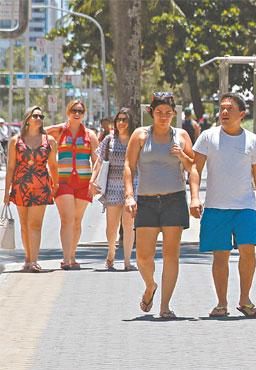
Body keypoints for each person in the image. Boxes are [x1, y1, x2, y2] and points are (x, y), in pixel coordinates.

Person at [189, 92, 256, 318]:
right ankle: (221, 303)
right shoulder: (207, 137)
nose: (224, 112)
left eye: (230, 109)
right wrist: (194, 197)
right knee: (220, 256)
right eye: (222, 108)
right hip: (216, 207)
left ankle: (245, 300)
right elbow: (195, 168)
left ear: (241, 114)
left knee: (248, 253)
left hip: (245, 208)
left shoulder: (253, 141)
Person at [124, 92, 194, 319]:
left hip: (174, 199)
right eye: (159, 113)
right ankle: (150, 285)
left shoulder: (181, 136)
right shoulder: (141, 135)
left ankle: (165, 306)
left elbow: (192, 166)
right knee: (143, 257)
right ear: (151, 113)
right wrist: (129, 195)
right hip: (146, 200)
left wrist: (182, 155)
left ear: (174, 113)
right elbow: (129, 166)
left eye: (168, 113)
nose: (163, 117)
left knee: (170, 255)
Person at [46, 100, 99, 270]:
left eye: (80, 111)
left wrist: (94, 181)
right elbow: (36, 132)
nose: (77, 113)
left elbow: (97, 161)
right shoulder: (59, 131)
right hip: (63, 181)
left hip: (84, 182)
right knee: (67, 219)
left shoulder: (90, 135)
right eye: (74, 110)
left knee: (77, 220)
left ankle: (73, 255)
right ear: (68, 112)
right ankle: (66, 259)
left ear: (84, 114)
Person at [4, 106, 58, 272]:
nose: (39, 119)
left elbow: (53, 166)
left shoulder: (49, 141)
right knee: (24, 225)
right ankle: (28, 259)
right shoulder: (16, 140)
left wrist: (55, 185)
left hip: (41, 186)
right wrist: (6, 192)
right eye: (36, 116)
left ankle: (34, 260)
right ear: (27, 119)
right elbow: (11, 168)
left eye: (41, 116)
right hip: (21, 186)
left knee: (35, 224)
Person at [90, 108, 138, 271]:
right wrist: (92, 180)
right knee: (112, 226)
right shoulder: (109, 139)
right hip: (112, 185)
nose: (121, 123)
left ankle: (127, 261)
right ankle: (111, 253)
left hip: (131, 185)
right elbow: (99, 161)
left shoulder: (135, 139)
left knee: (129, 224)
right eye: (119, 120)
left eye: (125, 120)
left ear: (130, 122)